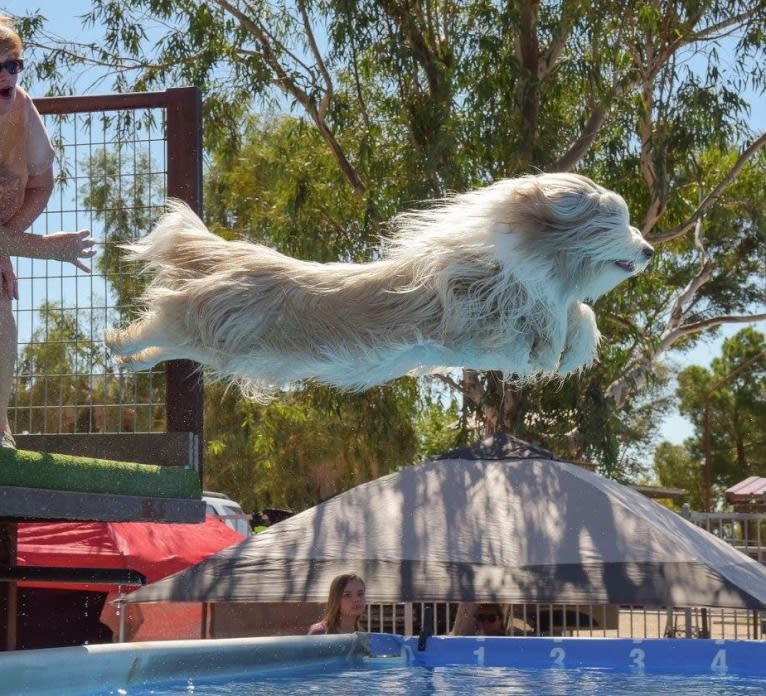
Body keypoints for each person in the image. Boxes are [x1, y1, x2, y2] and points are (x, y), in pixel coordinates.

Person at [0, 15, 95, 449]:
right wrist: (41, 248)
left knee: (3, 325)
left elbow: (41, 184)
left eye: (13, 64)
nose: (6, 74)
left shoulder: (19, 106)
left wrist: (7, 242)